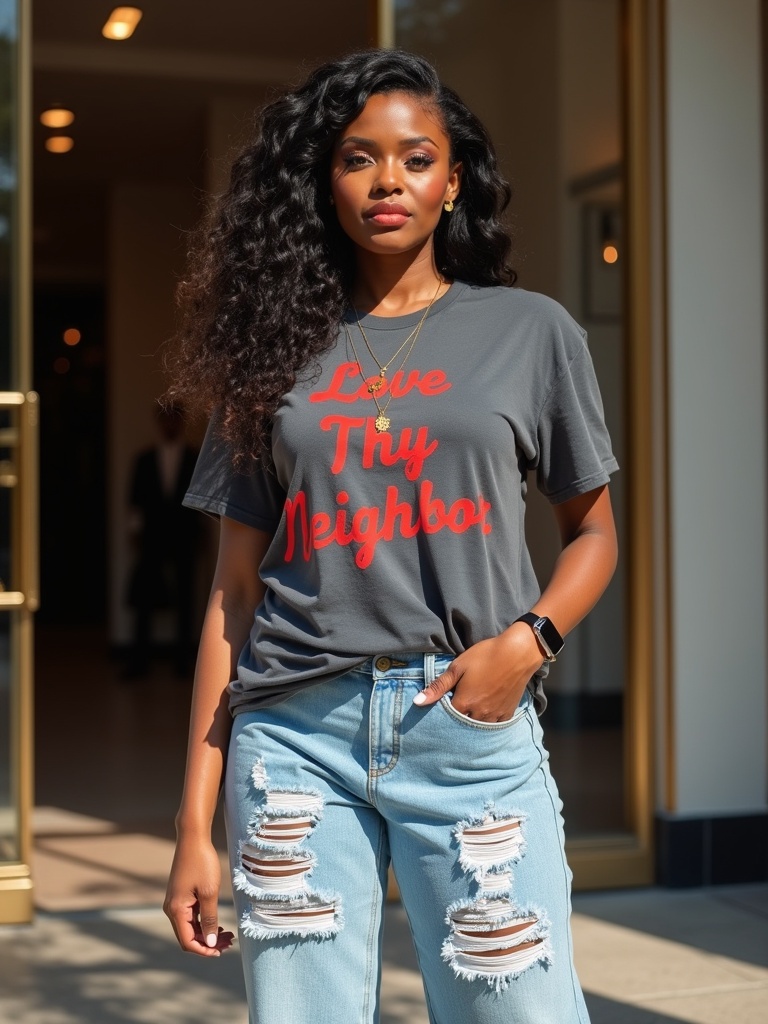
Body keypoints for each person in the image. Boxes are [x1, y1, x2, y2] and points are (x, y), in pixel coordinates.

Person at [163, 49, 618, 1024]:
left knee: (521, 1009)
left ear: (453, 182)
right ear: (324, 183)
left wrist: (526, 644)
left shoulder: (531, 333)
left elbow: (593, 535)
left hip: (466, 721)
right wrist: (191, 824)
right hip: (293, 738)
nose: (388, 182)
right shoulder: (271, 351)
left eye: (416, 159)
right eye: (358, 159)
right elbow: (232, 595)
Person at [123, 403, 200, 678]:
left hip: (183, 536)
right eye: (165, 419)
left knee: (185, 598)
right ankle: (138, 662)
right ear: (159, 422)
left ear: (181, 422)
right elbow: (135, 501)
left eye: (174, 419)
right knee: (144, 597)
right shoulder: (144, 459)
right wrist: (135, 533)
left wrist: (202, 538)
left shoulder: (195, 458)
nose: (169, 425)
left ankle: (182, 662)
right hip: (152, 536)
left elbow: (204, 504)